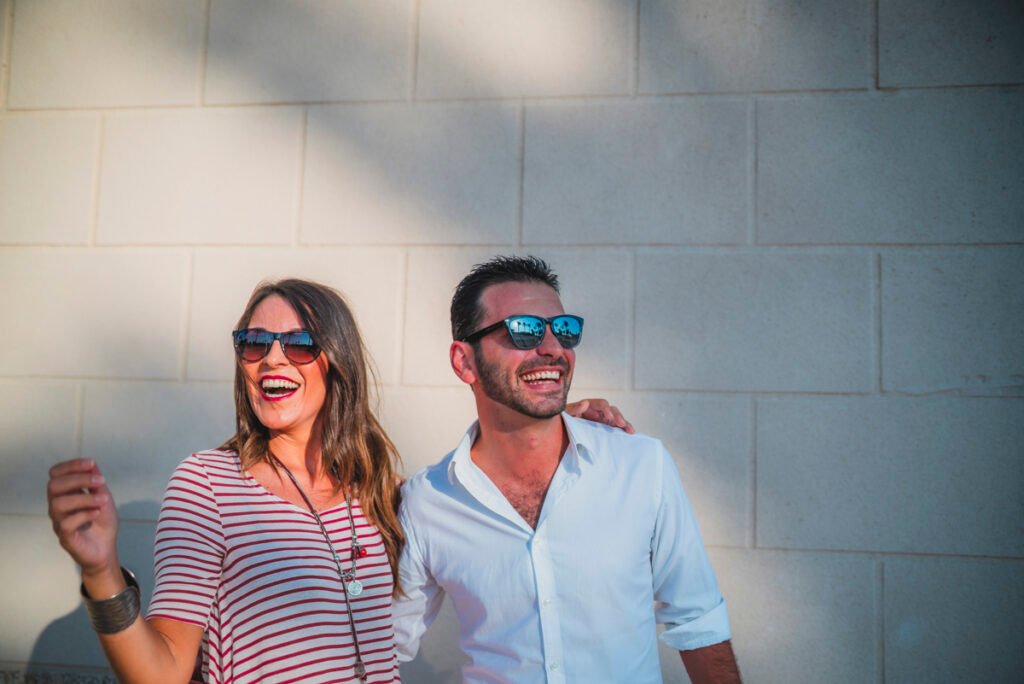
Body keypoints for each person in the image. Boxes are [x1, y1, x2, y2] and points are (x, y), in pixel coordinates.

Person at [46, 277, 629, 683]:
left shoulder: (377, 488)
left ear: (336, 362)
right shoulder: (208, 484)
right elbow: (162, 672)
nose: (273, 358)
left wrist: (551, 423)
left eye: (299, 344)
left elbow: (475, 484)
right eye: (254, 343)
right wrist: (100, 572)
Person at [393, 256, 741, 683]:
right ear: (464, 362)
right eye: (524, 330)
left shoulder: (640, 466)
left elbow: (698, 620)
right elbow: (383, 642)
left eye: (564, 330)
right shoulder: (428, 500)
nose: (553, 348)